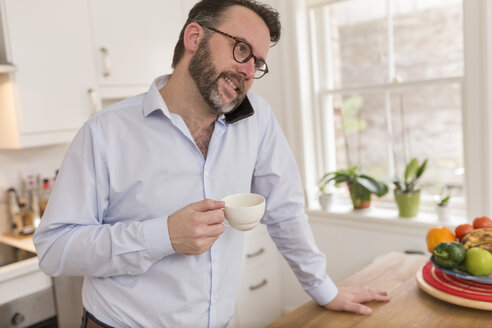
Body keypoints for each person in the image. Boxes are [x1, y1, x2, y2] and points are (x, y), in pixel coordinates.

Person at [33, 0, 389, 327]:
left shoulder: (257, 119)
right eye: (242, 49)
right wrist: (164, 236)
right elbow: (55, 249)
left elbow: (286, 211)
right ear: (194, 37)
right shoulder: (105, 131)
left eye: (258, 62)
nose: (249, 71)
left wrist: (325, 290)